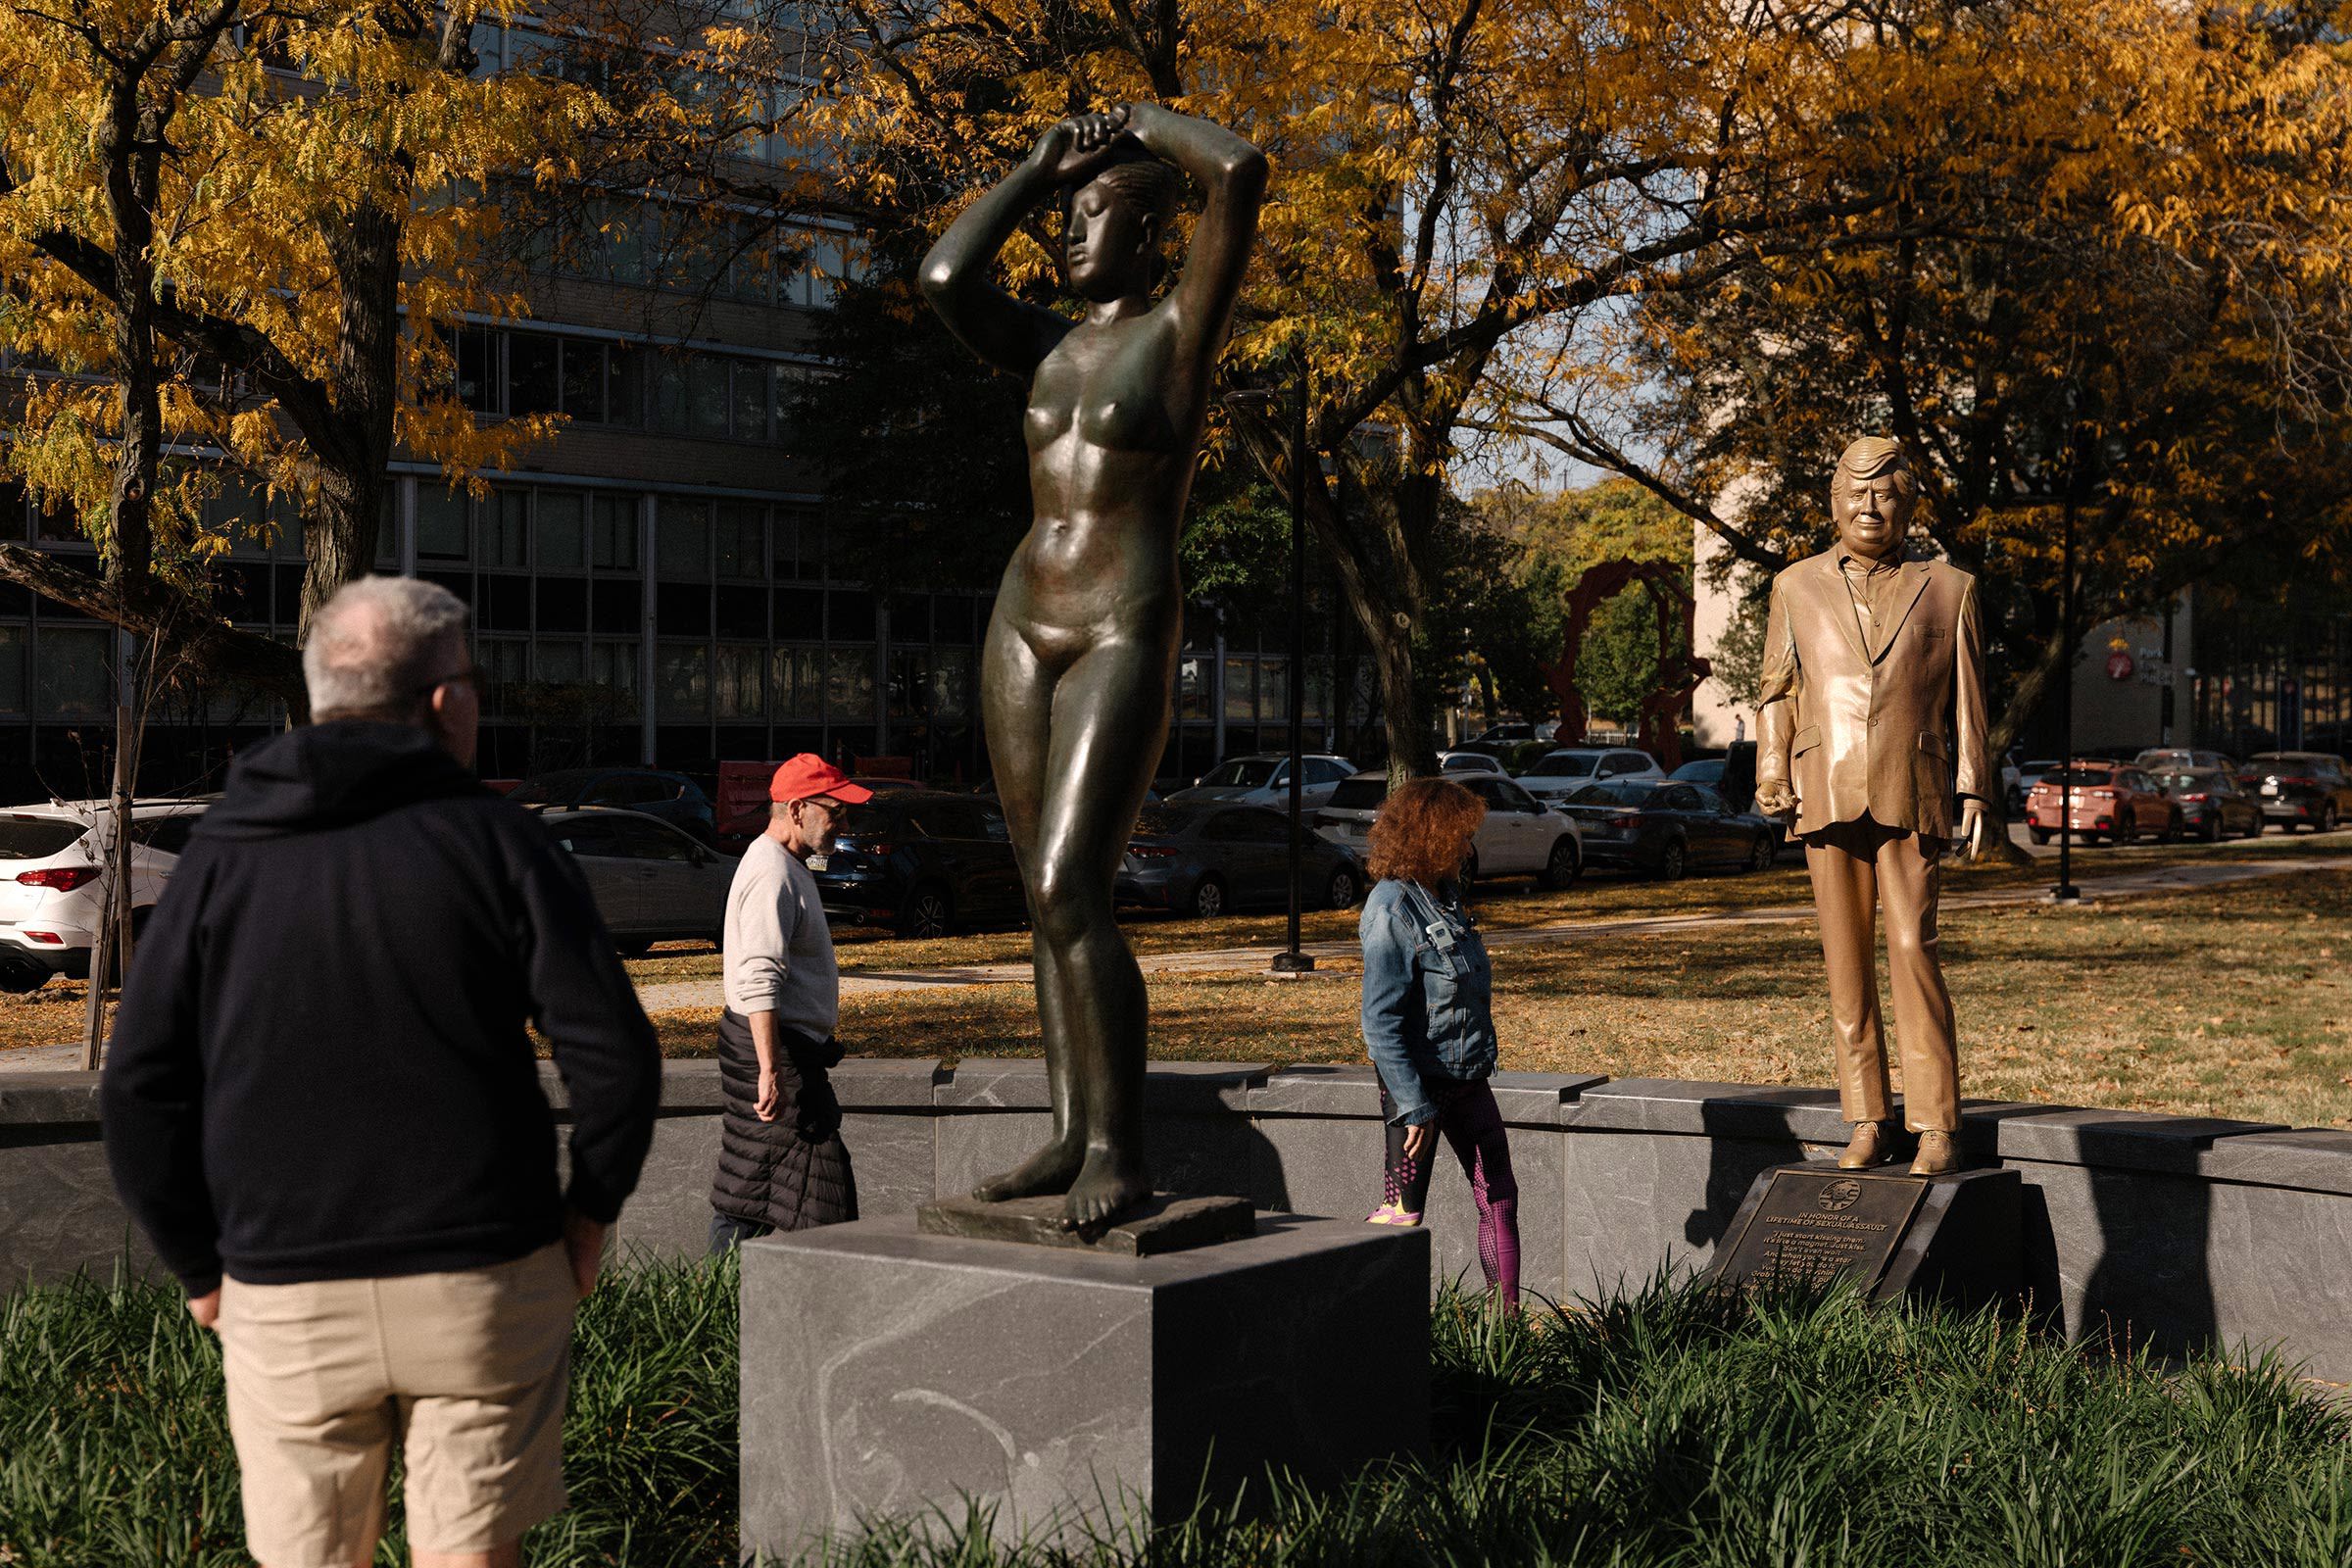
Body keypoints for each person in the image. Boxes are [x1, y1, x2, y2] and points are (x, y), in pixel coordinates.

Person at [100, 576, 662, 1568]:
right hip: (486, 1275)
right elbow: (613, 1058)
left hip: (283, 1285)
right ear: (444, 701)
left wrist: (198, 1265)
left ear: (321, 700)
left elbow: (140, 1087)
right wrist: (589, 1214)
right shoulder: (502, 841)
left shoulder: (220, 859)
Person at [919, 102, 1267, 1228]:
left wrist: (1141, 122)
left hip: (1122, 619)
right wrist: (1031, 169)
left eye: (1093, 210)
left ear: (1154, 228)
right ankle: (1069, 1131)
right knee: (1038, 892)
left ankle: (1121, 1147)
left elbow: (1240, 168)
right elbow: (939, 280)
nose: (1068, 233)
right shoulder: (1047, 344)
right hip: (1024, 617)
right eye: (1062, 216)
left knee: (1076, 882)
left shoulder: (1176, 333)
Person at [1752, 436, 1992, 1177]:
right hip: (1824, 788)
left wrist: (1975, 782)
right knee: (1845, 965)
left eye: (1883, 493)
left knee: (1915, 950)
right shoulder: (1794, 585)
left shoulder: (1950, 587)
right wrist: (1769, 769)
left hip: (1912, 787)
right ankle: (1867, 1117)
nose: (1869, 507)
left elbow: (1970, 699)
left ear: (1906, 504)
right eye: (1855, 495)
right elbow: (1777, 689)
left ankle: (1937, 1124)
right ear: (1833, 505)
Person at [1357, 777, 1521, 1308]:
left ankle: (1507, 1324)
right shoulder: (1390, 909)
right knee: (1401, 1215)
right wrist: (1413, 1106)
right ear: (1433, 836)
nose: (1468, 848)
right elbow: (1380, 1022)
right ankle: (1380, 1336)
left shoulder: (1445, 897)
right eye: (1461, 835)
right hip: (1417, 1090)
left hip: (1467, 1077)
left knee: (1499, 1197)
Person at [709, 754, 871, 1251]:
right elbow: (758, 975)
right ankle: (814, 1310)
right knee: (814, 1201)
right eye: (835, 810)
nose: (844, 822)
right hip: (779, 1055)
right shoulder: (771, 872)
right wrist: (770, 1067)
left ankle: (718, 1310)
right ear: (798, 810)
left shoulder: (787, 863)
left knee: (751, 1191)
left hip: (784, 1052)